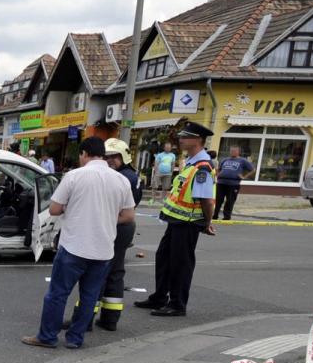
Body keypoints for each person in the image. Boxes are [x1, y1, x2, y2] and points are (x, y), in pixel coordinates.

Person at [22, 137, 136, 349]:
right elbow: (128, 216)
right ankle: (75, 339)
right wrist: (108, 217)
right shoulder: (121, 180)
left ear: (84, 153)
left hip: (74, 246)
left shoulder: (74, 176)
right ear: (103, 154)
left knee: (58, 294)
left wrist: (74, 209)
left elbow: (55, 209)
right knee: (90, 296)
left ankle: (47, 337)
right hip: (103, 250)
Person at [135, 120, 217, 317]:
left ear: (197, 140)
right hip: (176, 221)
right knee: (163, 258)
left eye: (185, 136)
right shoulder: (191, 163)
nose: (180, 139)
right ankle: (160, 296)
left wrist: (207, 223)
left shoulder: (202, 167)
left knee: (180, 264)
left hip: (188, 223)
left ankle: (178, 304)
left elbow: (206, 199)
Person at [96, 139, 142, 331]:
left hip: (116, 225)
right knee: (115, 272)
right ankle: (110, 319)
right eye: (107, 157)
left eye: (114, 157)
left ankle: (83, 318)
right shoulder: (129, 175)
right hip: (124, 226)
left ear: (124, 157)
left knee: (97, 272)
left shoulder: (122, 178)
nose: (110, 160)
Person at [214, 146, 254, 221]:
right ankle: (215, 215)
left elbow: (252, 169)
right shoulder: (225, 159)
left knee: (230, 200)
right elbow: (218, 169)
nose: (232, 152)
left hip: (233, 184)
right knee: (218, 200)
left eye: (234, 151)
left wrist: (244, 177)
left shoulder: (242, 160)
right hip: (221, 183)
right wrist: (218, 174)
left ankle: (226, 217)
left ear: (238, 152)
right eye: (231, 150)